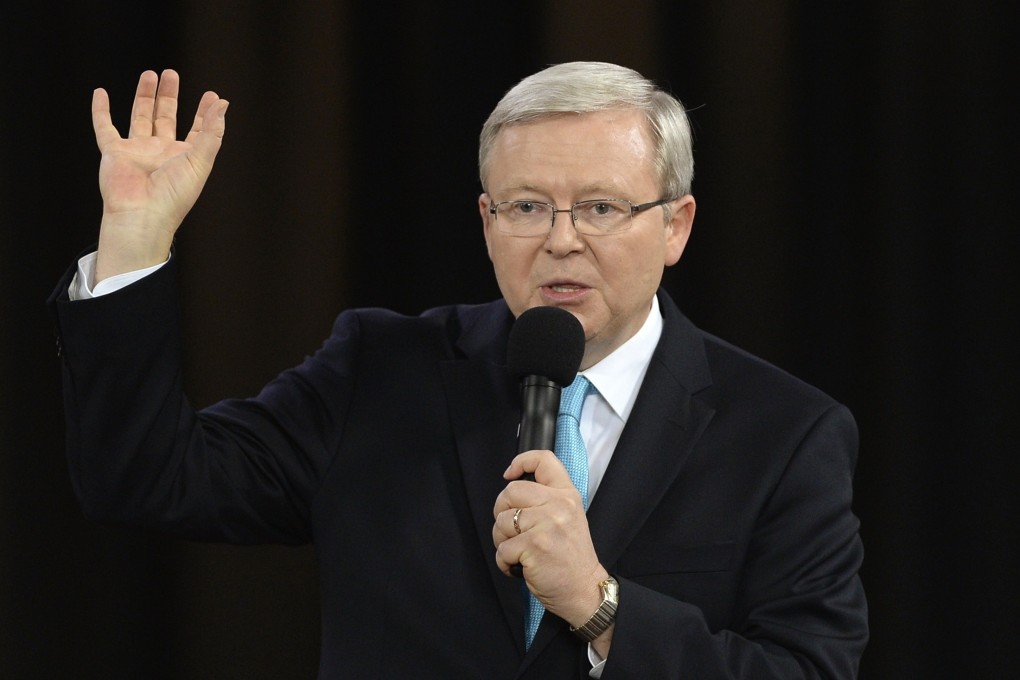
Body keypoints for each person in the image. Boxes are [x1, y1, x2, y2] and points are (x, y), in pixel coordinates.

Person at [49, 62, 867, 678]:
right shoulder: (378, 371)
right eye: (525, 207)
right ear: (486, 221)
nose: (560, 239)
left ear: (676, 225)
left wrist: (600, 605)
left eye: (602, 207)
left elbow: (808, 670)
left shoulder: (786, 434)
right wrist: (134, 238)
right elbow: (145, 476)